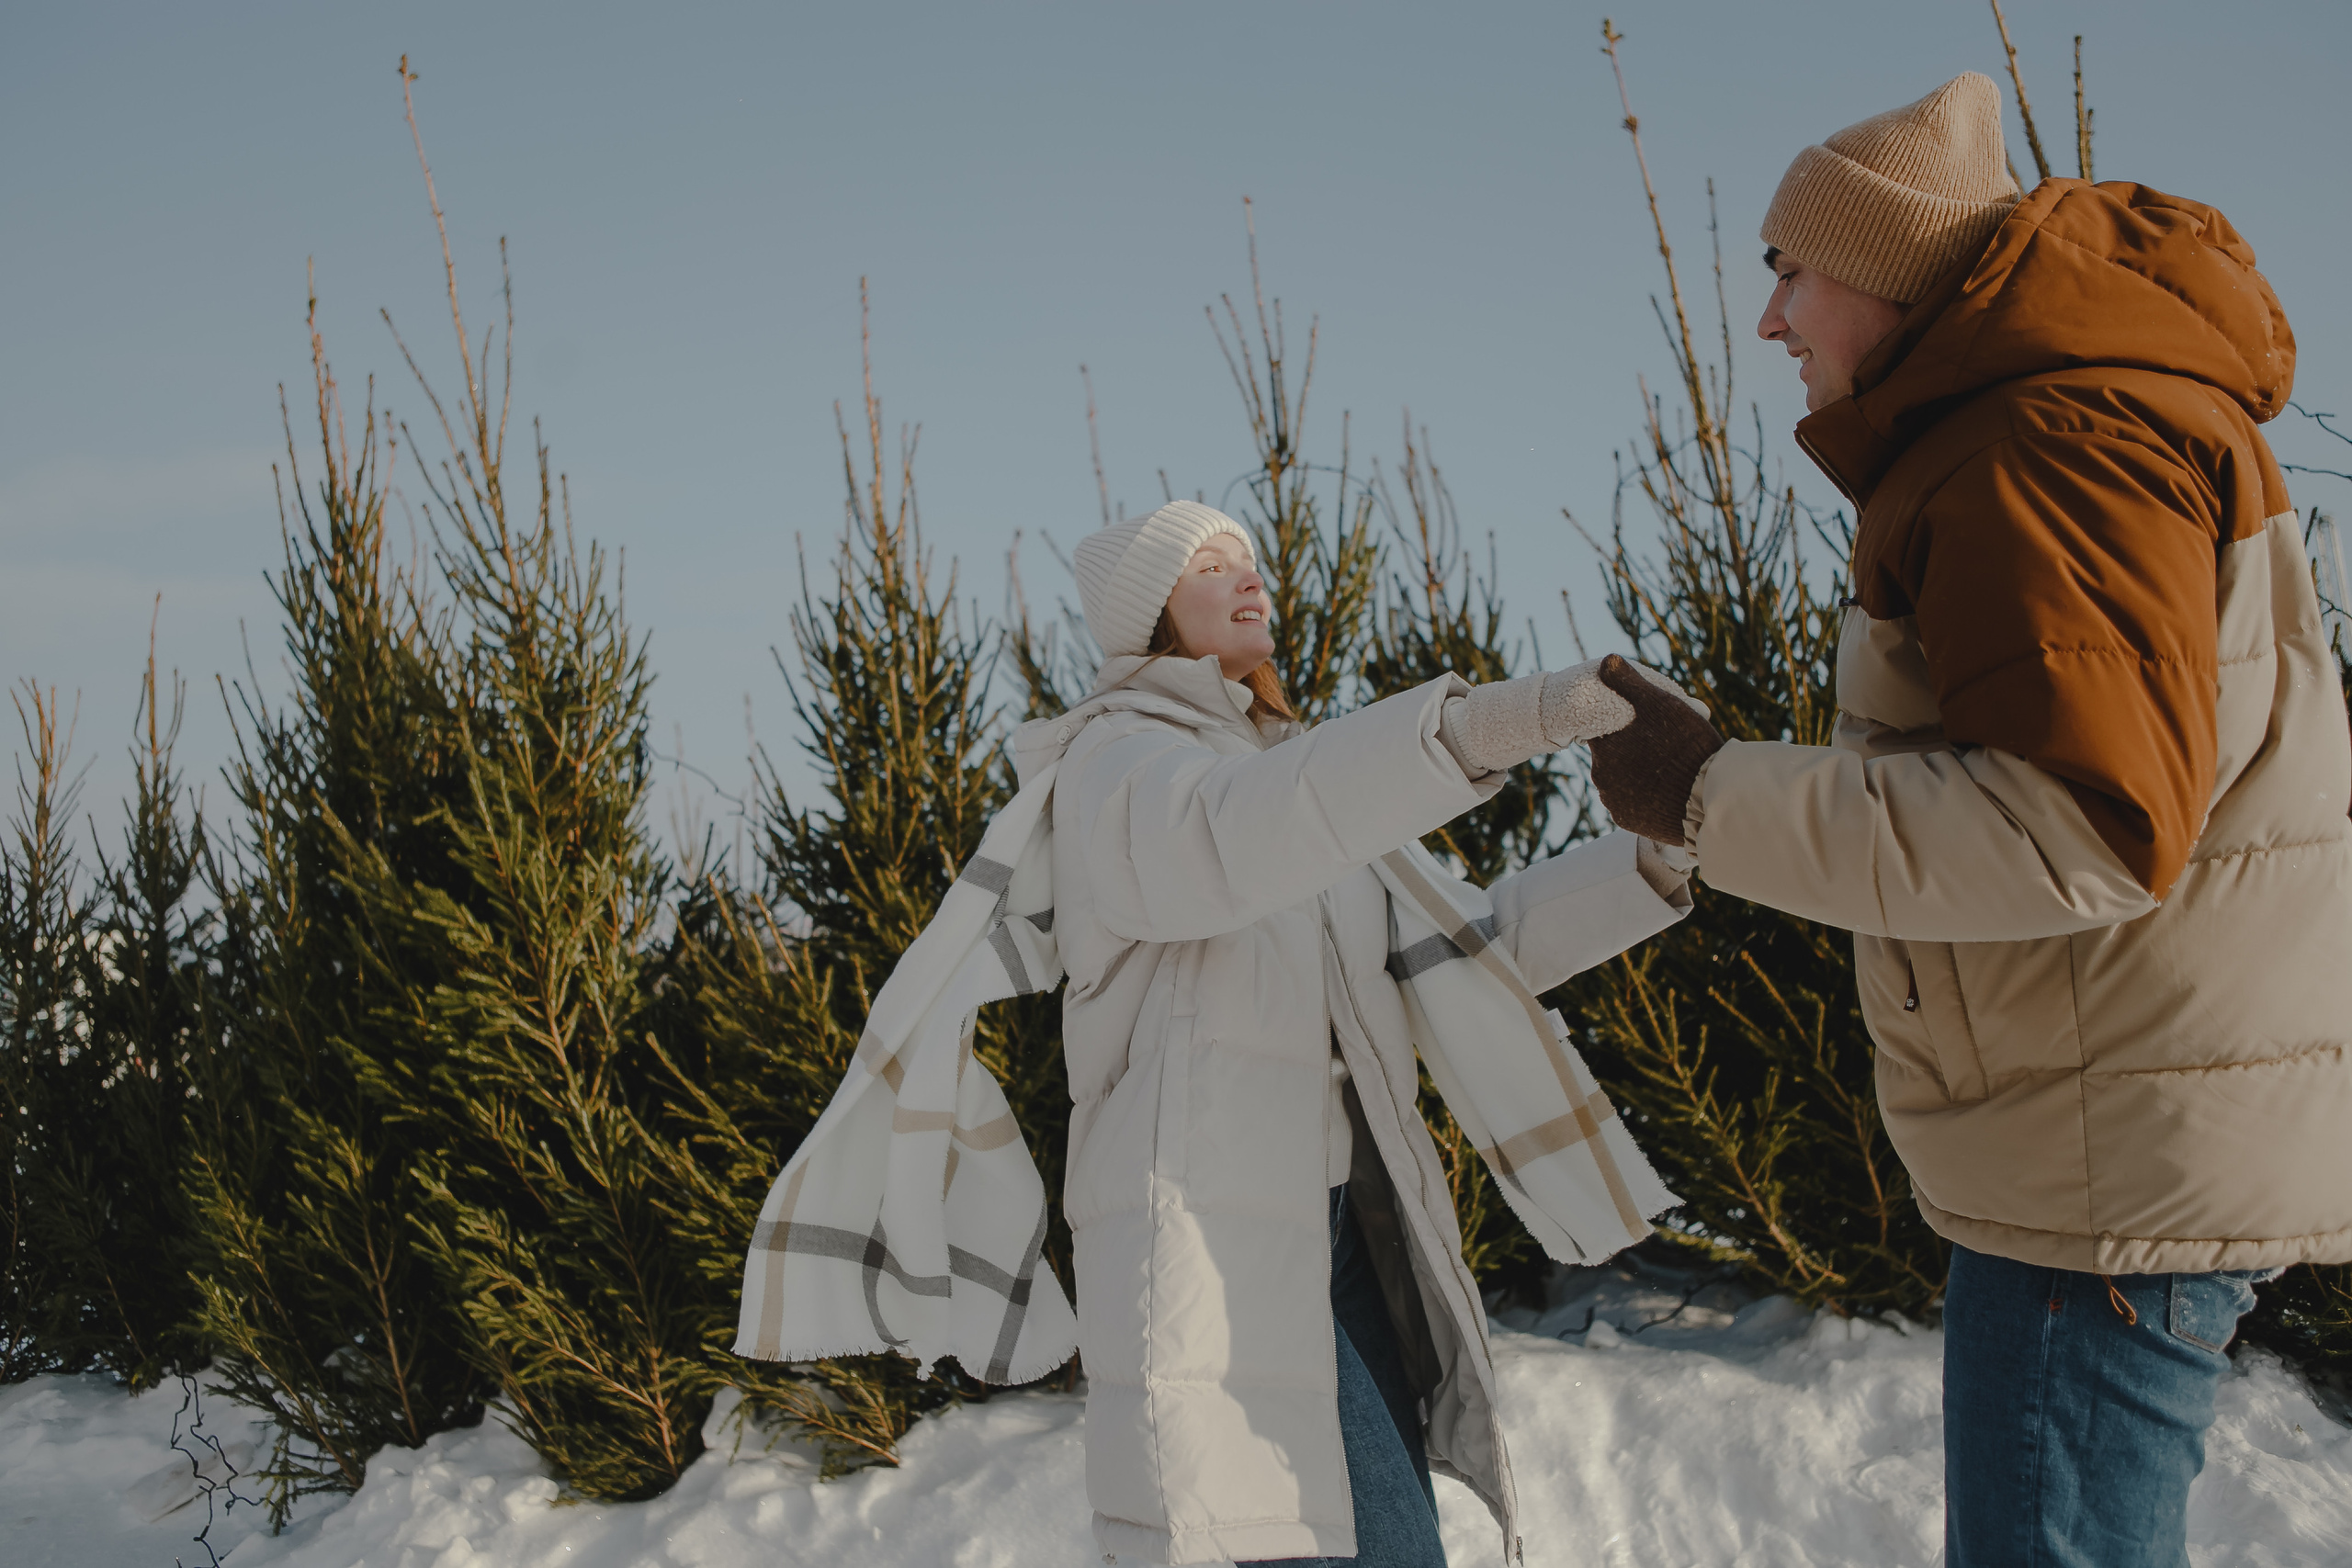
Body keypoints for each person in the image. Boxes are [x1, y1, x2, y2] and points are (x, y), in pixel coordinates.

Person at [1581, 71, 2352, 1568]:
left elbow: (2082, 825)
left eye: (1791, 272)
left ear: (1885, 269)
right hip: (2111, 1137)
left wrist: (1705, 789)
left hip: (2100, 1167)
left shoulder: (2042, 439)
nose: (1772, 321)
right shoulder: (2067, 412)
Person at [737, 498, 1702, 1567]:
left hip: (1343, 1229)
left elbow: (1468, 948)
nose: (1248, 577)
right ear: (1147, 613)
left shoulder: (1292, 774)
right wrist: (1501, 722)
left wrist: (1664, 852)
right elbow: (1223, 837)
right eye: (1207, 564)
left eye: (1247, 558)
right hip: (1212, 1243)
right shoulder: (1118, 763)